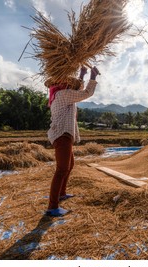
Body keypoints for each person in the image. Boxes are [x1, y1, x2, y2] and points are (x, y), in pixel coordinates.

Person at [46, 66, 100, 217]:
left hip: (64, 135)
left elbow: (77, 88)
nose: (72, 85)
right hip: (62, 135)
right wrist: (93, 76)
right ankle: (52, 206)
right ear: (65, 84)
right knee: (62, 169)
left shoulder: (60, 93)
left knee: (70, 165)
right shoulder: (64, 94)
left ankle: (61, 193)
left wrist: (82, 74)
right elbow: (85, 92)